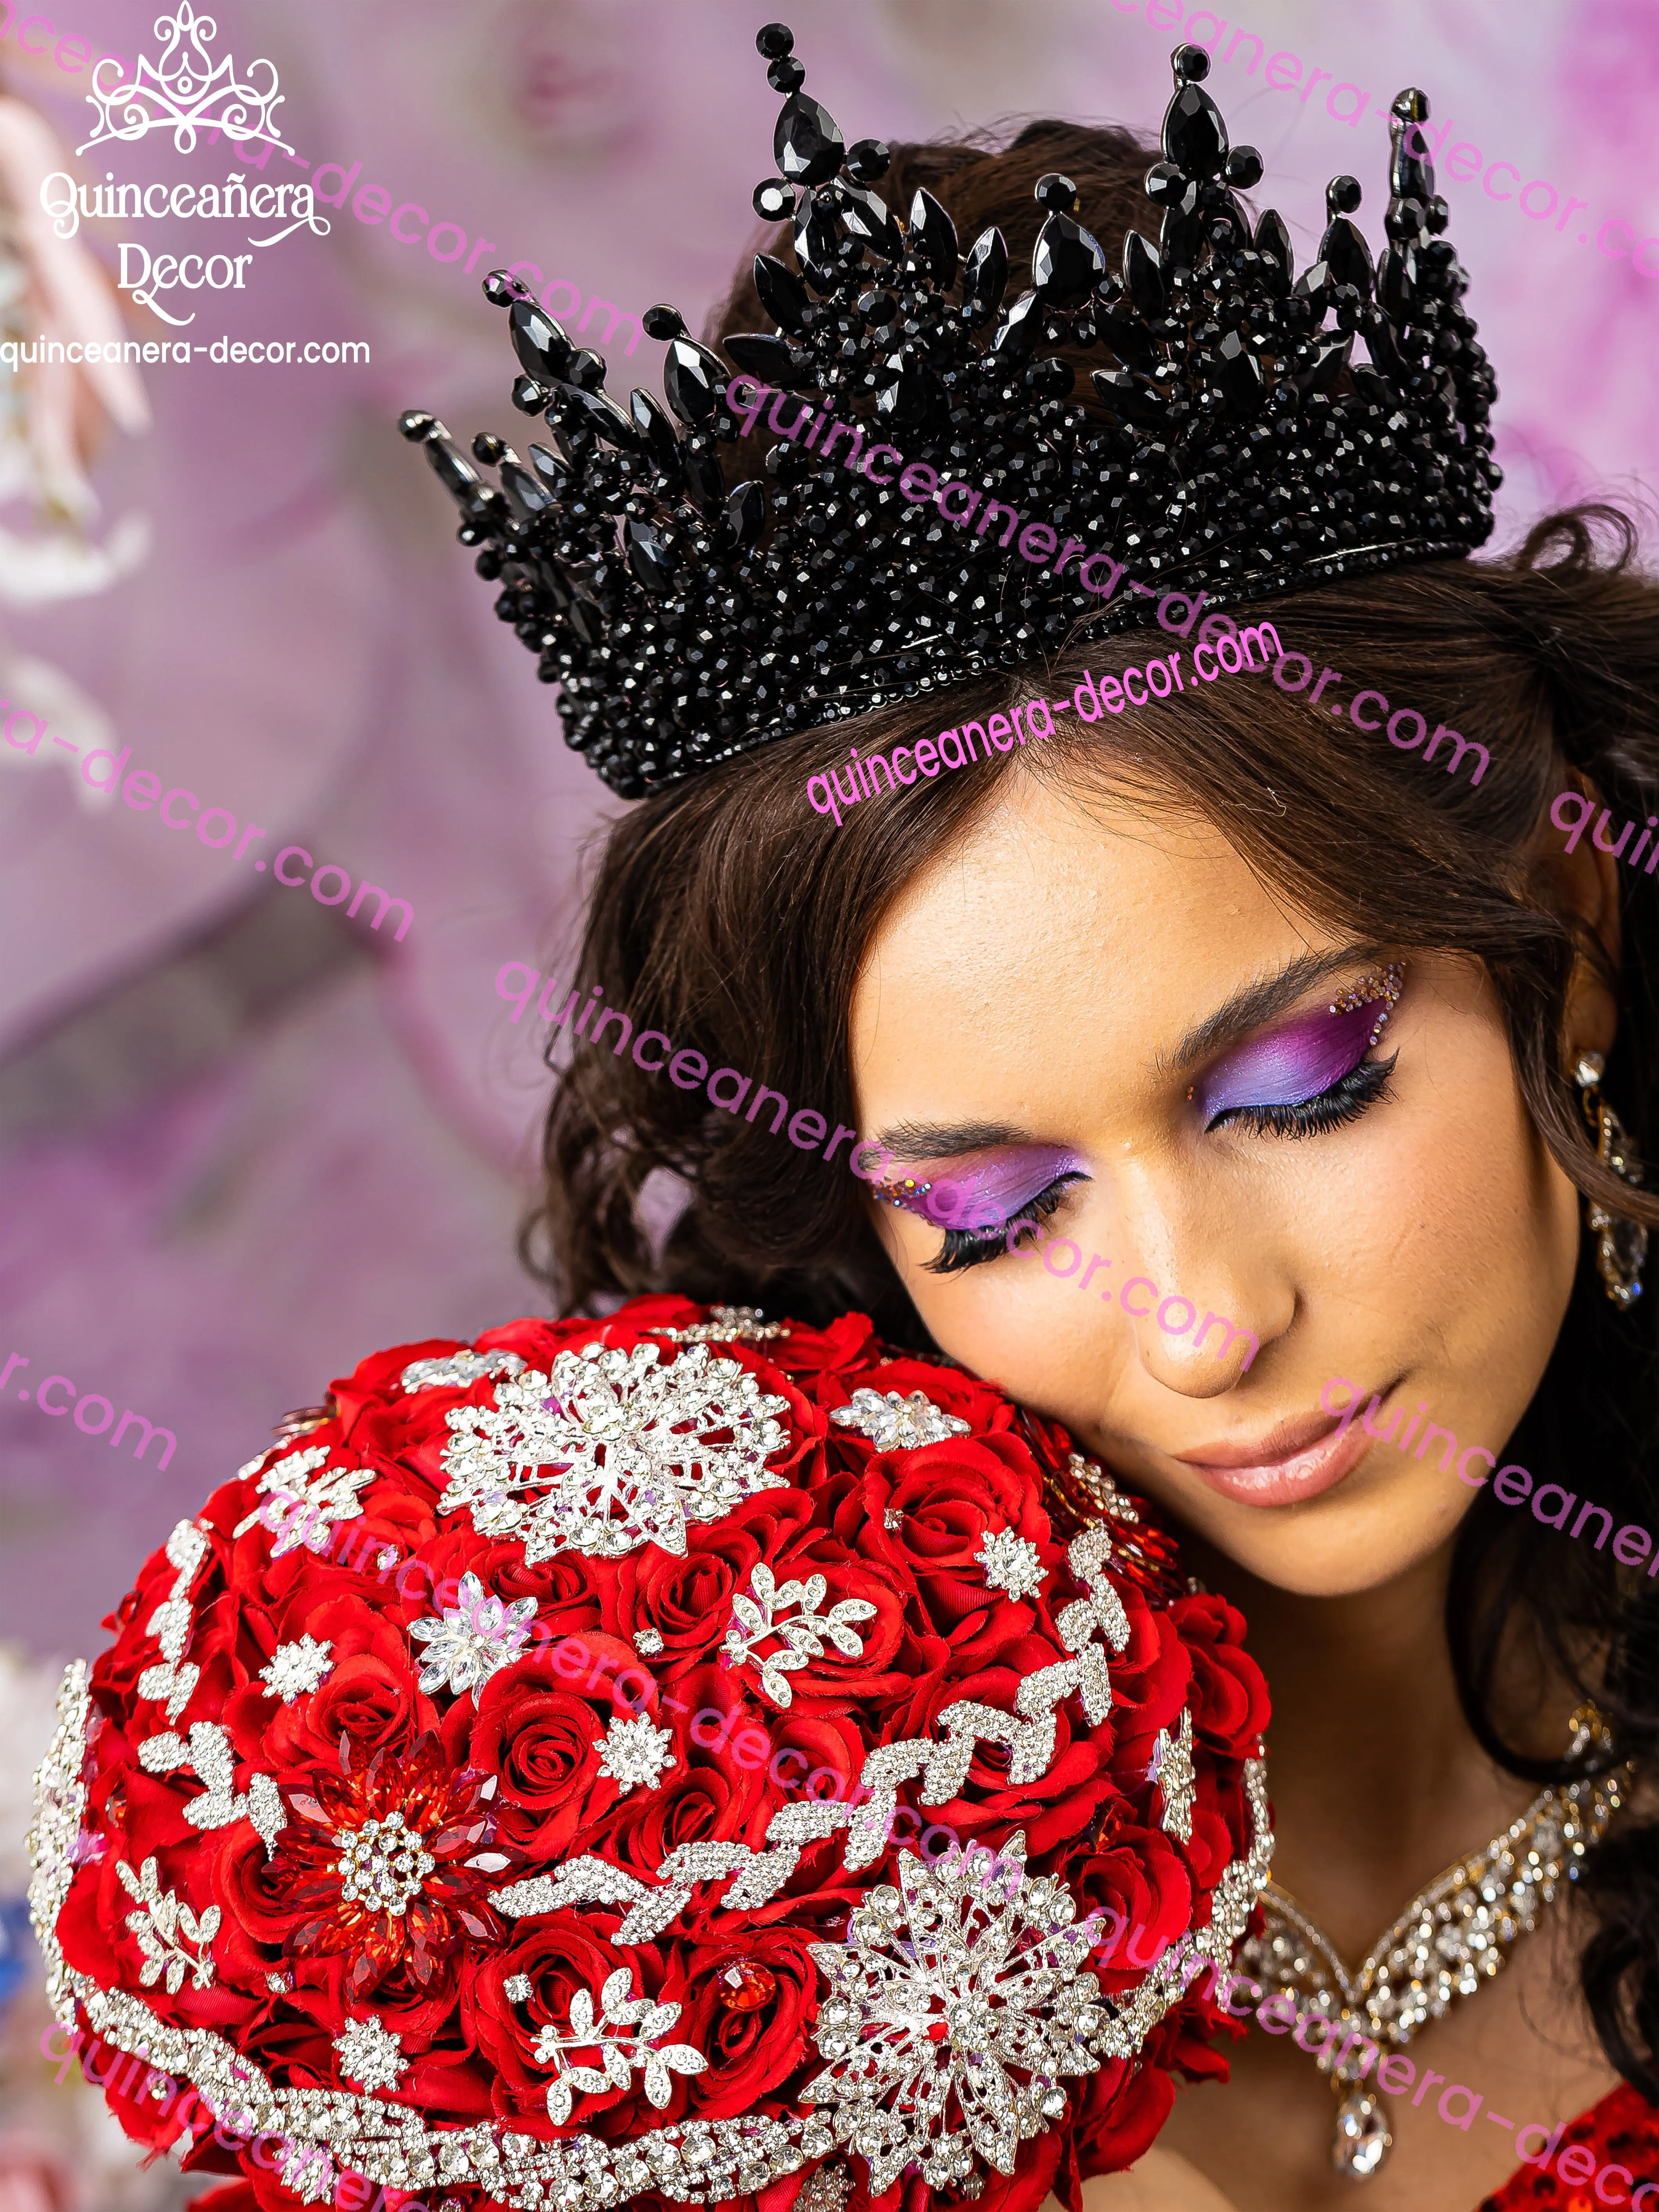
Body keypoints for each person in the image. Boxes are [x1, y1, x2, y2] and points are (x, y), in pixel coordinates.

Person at [402, 23, 1659, 2212]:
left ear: (1564, 930)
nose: (1196, 1326)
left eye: (1302, 1084)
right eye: (993, 1207)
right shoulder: (721, 1922)